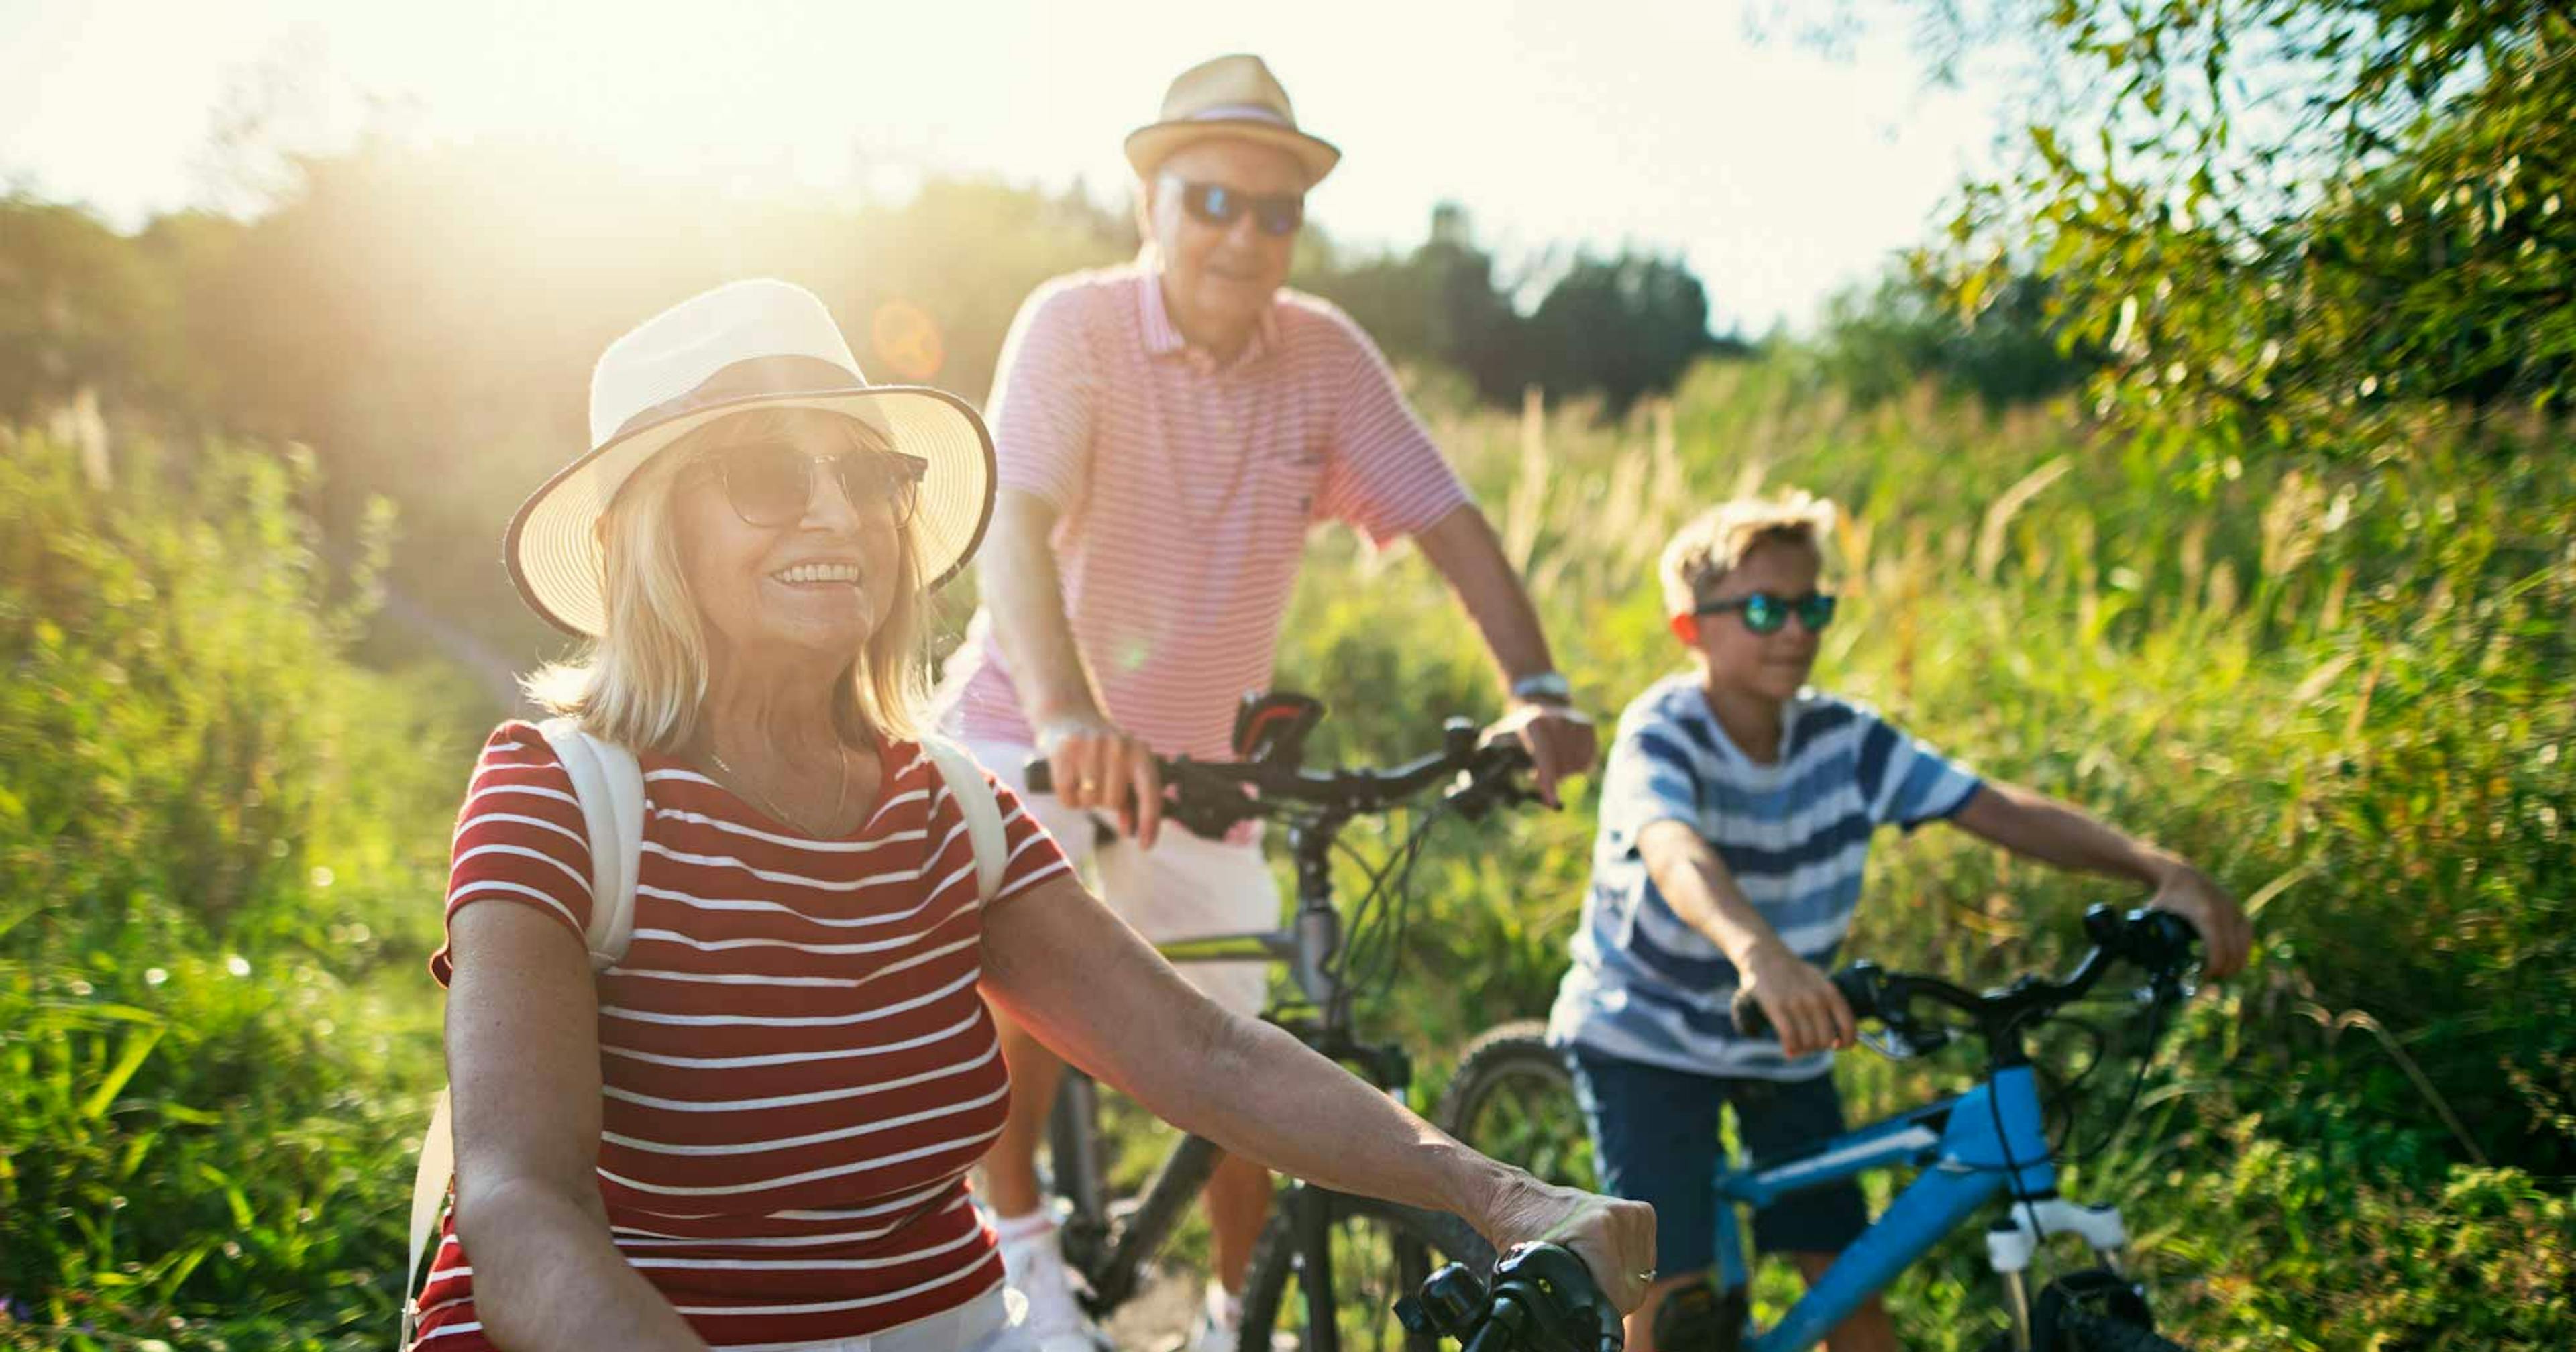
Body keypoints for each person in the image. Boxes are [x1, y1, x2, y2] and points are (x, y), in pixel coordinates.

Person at [412, 278, 1654, 1352]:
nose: (838, 515)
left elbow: (1200, 1053)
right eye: (764, 475)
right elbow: (523, 1202)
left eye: (866, 474)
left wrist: (1506, 1199)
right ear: (647, 536)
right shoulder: (559, 797)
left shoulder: (948, 803)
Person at [932, 54, 1600, 1352]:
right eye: (1211, 201)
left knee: (1247, 1051)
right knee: (1027, 987)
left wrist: (1538, 687)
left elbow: (1451, 525)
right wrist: (1068, 716)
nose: (1243, 234)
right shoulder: (1074, 326)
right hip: (1033, 722)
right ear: (1151, 206)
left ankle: (1247, 1309)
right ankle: (1026, 1268)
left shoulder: (1323, 356)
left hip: (1205, 767)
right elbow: (1006, 524)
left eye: (1275, 211)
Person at [1546, 491, 2252, 1352]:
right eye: (1765, 609)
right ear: (1691, 628)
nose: (1795, 631)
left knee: (1850, 1291)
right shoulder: (1662, 730)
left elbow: (1998, 810)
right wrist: (1760, 953)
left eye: (1814, 607)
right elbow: (1673, 849)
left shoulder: (1846, 739)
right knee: (1669, 1300)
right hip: (1646, 1036)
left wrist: (2155, 868)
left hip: (1789, 1036)